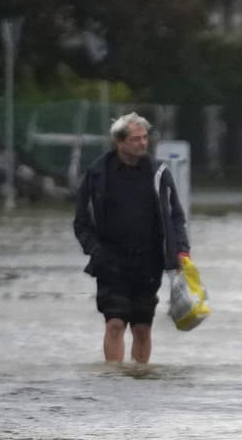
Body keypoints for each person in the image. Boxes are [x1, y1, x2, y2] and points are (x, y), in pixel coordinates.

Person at [74, 112, 190, 364]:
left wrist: (181, 250)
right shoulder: (97, 174)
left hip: (149, 263)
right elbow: (81, 223)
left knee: (141, 327)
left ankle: (139, 376)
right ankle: (114, 377)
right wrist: (95, 251)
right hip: (110, 262)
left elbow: (176, 217)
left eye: (145, 137)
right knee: (115, 323)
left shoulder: (159, 173)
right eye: (136, 139)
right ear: (120, 142)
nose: (142, 143)